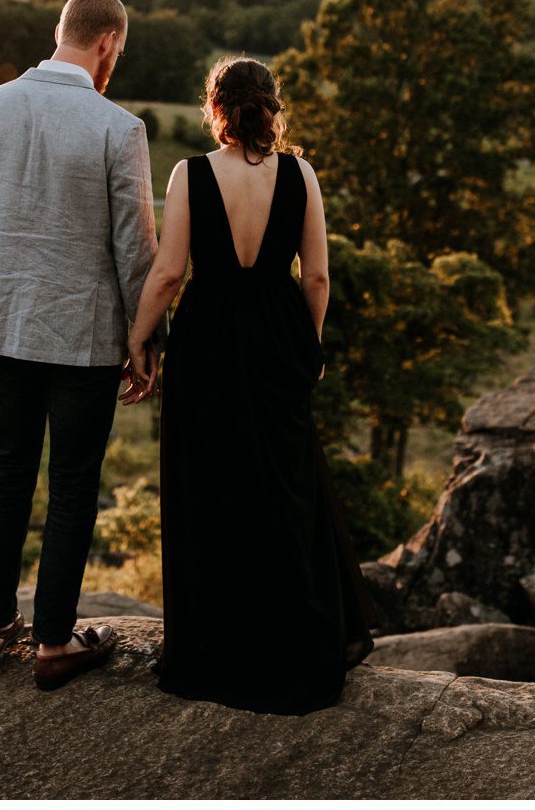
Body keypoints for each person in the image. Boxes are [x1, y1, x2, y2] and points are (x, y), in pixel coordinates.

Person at [124, 56, 377, 714]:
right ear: (271, 107)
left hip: (206, 339)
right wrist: (309, 345)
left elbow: (167, 274)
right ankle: (291, 641)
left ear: (216, 110)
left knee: (211, 486)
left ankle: (216, 643)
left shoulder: (190, 174)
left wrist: (139, 339)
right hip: (276, 335)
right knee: (284, 488)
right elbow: (317, 277)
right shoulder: (301, 174)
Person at [0, 0, 166, 691]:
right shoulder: (118, 127)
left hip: (3, 321)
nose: (115, 66)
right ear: (107, 43)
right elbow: (136, 247)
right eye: (118, 55)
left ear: (60, 32)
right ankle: (53, 640)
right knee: (72, 483)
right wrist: (144, 341)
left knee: (8, 468)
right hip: (85, 333)